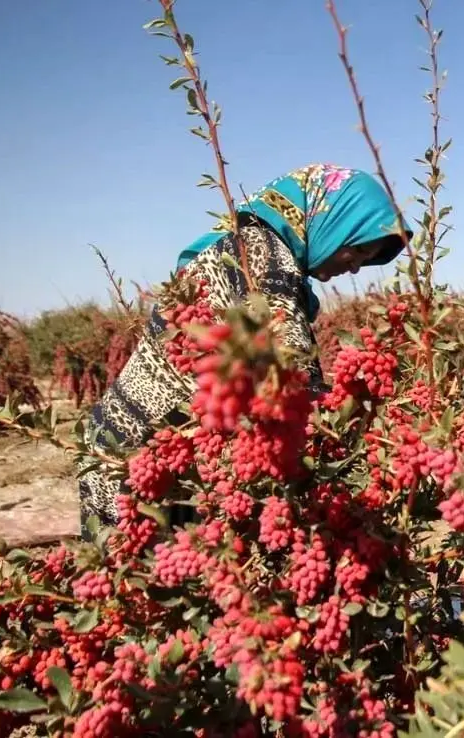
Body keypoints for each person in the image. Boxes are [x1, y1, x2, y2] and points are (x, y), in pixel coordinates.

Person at [77, 164, 410, 540]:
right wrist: (365, 425)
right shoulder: (264, 260)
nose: (354, 267)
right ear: (332, 221)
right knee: (142, 577)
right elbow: (289, 380)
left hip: (149, 447)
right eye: (359, 249)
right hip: (143, 457)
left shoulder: (247, 246)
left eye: (366, 261)